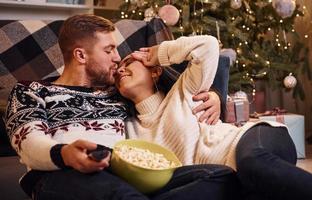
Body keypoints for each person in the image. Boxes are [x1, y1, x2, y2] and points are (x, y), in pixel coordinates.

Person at [4, 14, 241, 200]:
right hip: (61, 174)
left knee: (221, 176)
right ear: (80, 55)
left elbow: (187, 72)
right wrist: (64, 154)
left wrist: (215, 94)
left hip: (124, 173)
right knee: (122, 195)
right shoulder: (31, 91)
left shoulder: (117, 91)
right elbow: (29, 143)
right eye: (109, 50)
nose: (118, 59)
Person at [115, 35, 312, 199]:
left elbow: (207, 46)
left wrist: (158, 53)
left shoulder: (183, 91)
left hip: (252, 141)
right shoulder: (129, 131)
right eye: (116, 71)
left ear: (156, 71)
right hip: (229, 178)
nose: (120, 70)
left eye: (129, 62)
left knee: (252, 163)